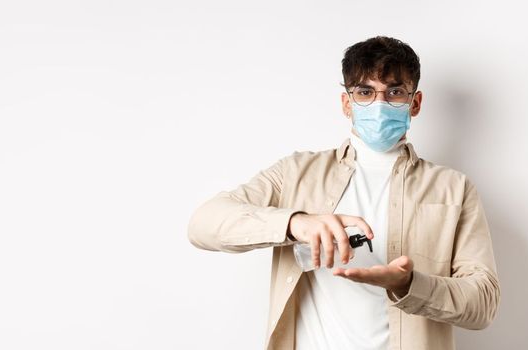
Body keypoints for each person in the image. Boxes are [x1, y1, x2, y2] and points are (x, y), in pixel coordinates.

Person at [187, 36, 501, 350]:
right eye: (365, 92)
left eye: (394, 92)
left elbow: (483, 303)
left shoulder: (454, 189)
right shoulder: (296, 173)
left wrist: (408, 284)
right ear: (346, 103)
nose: (379, 105)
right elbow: (204, 224)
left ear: (415, 103)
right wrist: (297, 223)